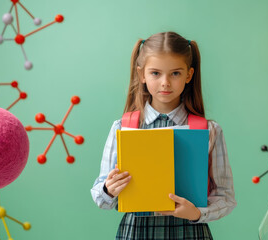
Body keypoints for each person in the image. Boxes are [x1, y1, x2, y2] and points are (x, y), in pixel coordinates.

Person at [91, 31, 236, 240]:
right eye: (155, 73)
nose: (165, 82)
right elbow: (101, 198)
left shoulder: (209, 130)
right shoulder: (122, 128)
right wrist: (108, 189)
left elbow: (226, 197)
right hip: (135, 233)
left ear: (189, 74)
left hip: (190, 233)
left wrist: (197, 214)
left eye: (175, 73)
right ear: (141, 74)